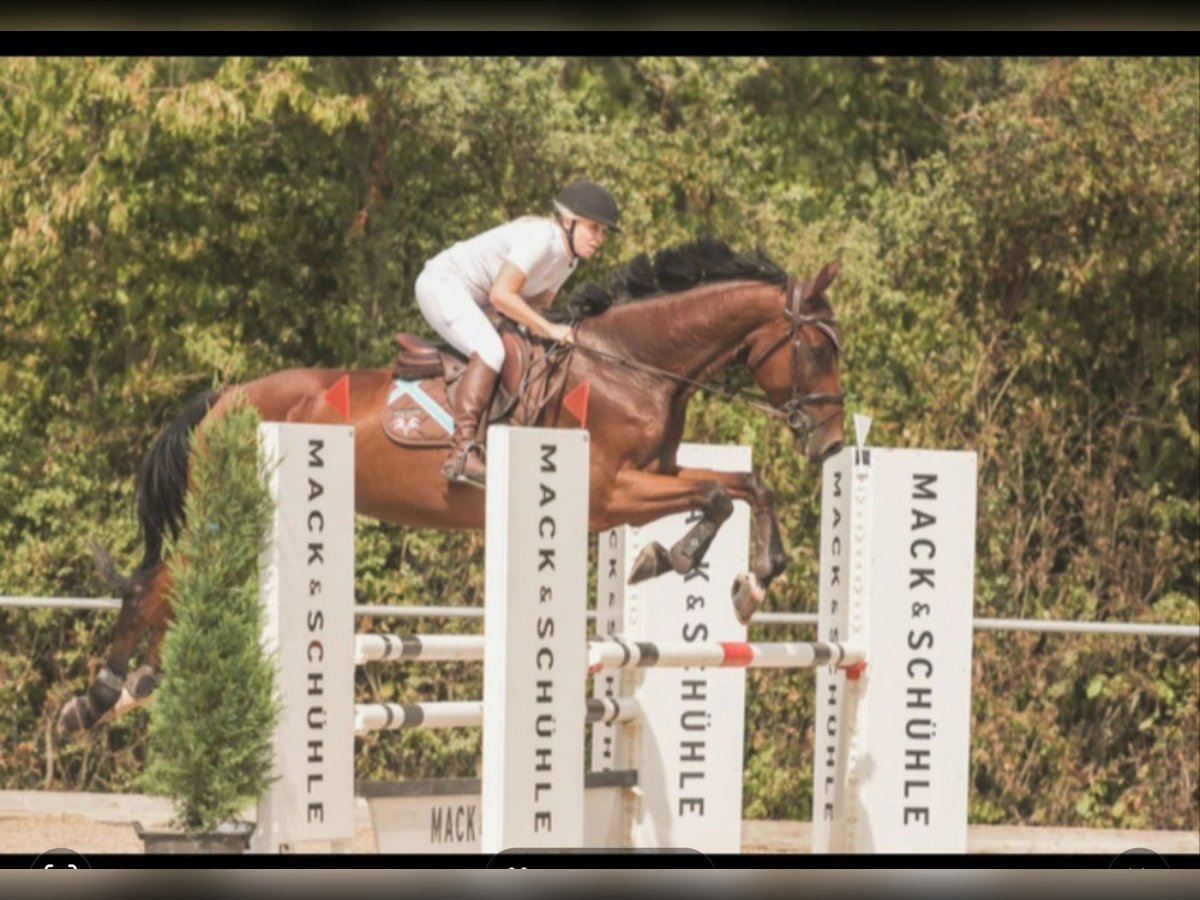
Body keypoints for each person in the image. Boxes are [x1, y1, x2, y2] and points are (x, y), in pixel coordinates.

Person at [415, 179, 621, 488]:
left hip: (479, 300)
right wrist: (551, 328)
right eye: (594, 228)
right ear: (568, 221)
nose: (599, 239)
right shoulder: (541, 239)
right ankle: (462, 452)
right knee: (491, 350)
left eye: (603, 232)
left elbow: (536, 308)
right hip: (444, 285)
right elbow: (501, 295)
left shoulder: (568, 261)